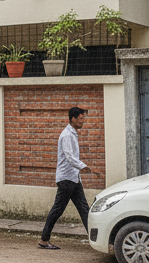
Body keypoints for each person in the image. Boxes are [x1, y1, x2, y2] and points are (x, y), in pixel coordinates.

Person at [38, 105, 98, 250]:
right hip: (66, 179)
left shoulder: (73, 133)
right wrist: (84, 166)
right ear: (73, 119)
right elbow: (69, 156)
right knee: (58, 210)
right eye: (81, 119)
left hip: (73, 178)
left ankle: (96, 240)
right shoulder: (66, 135)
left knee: (84, 209)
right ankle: (44, 240)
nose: (83, 121)